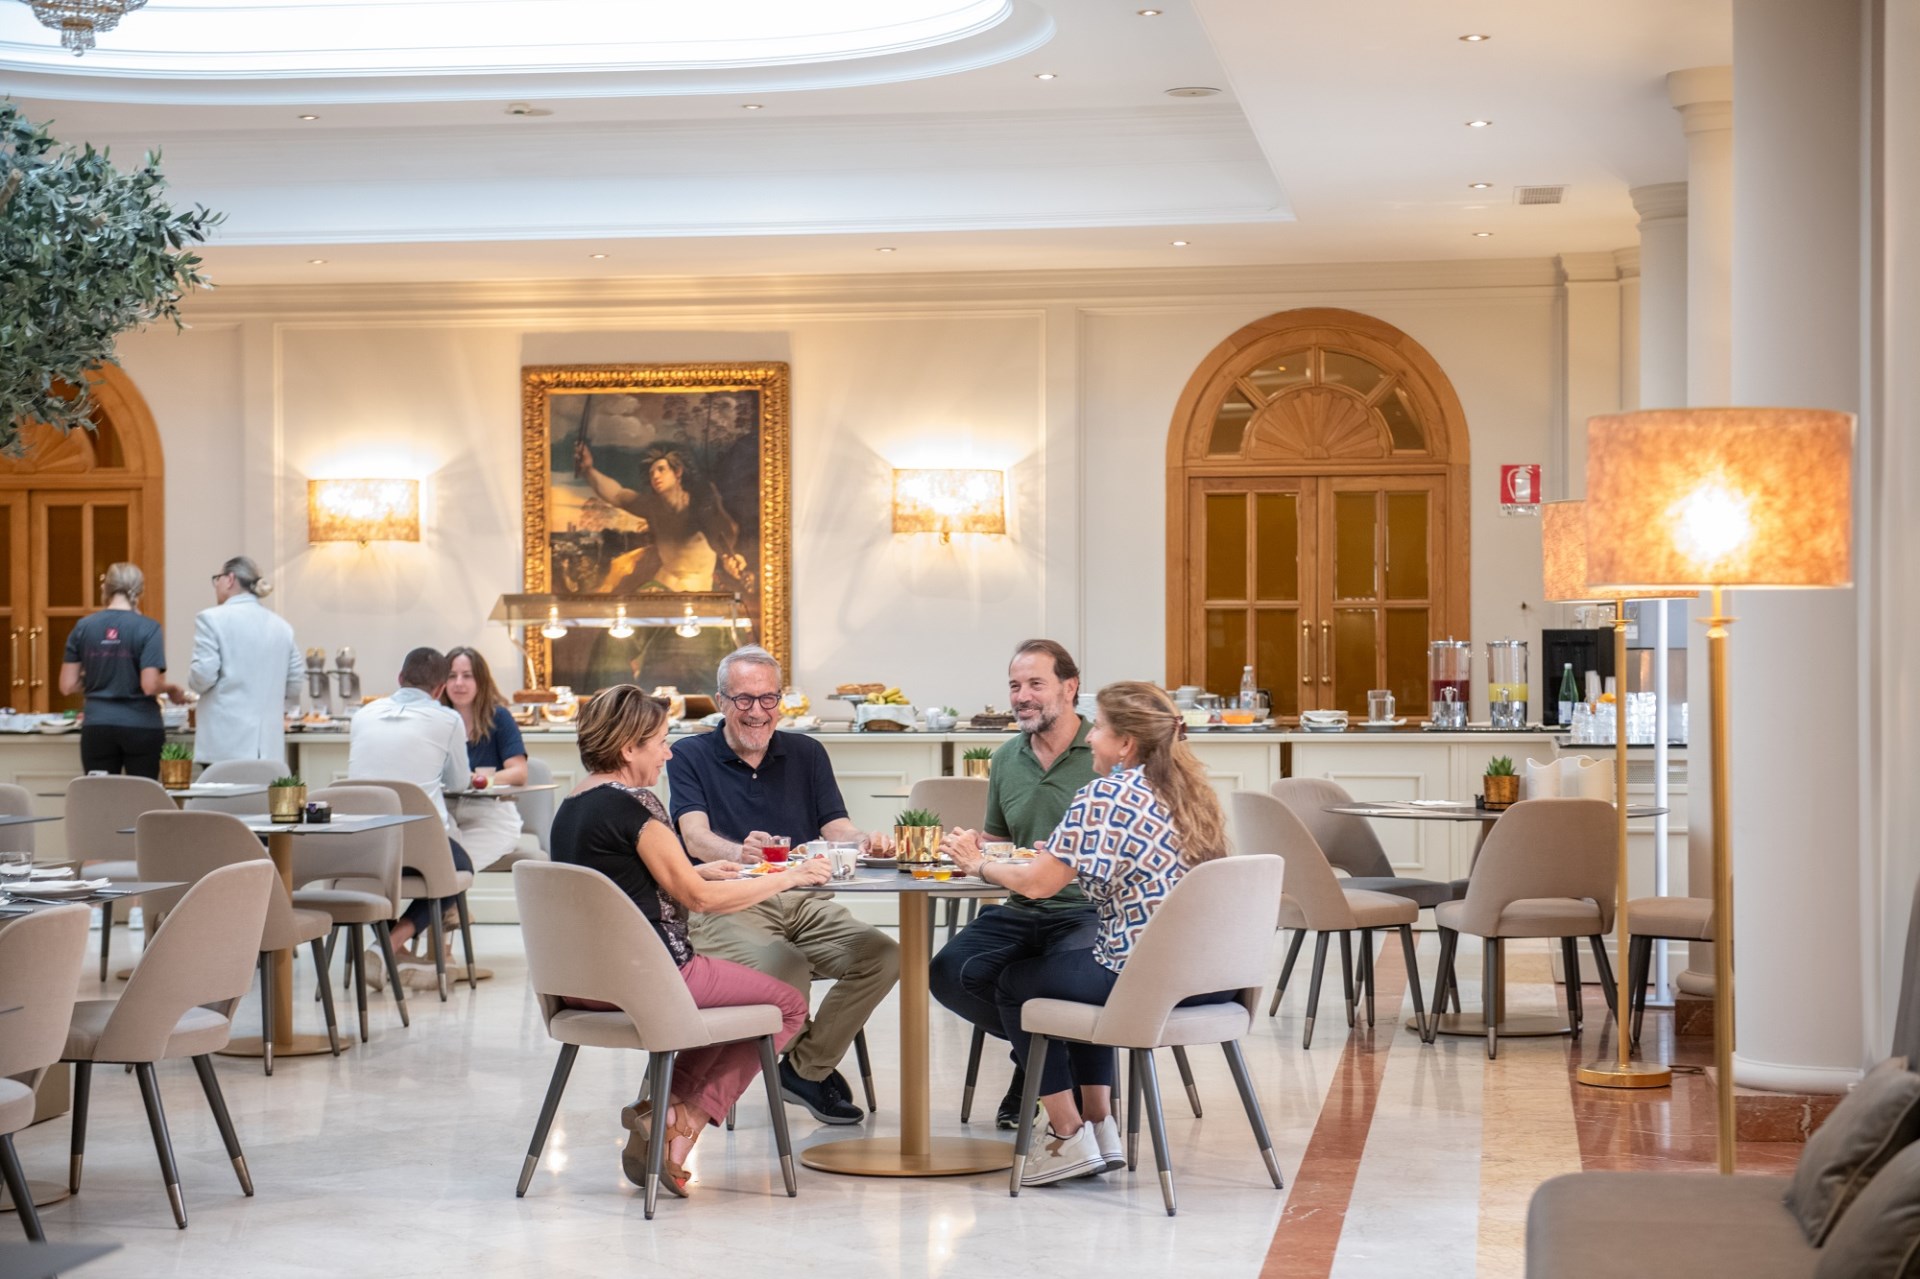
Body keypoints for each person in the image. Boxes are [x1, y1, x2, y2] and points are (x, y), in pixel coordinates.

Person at [946, 681, 1235, 1186]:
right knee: (1069, 986)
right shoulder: (1192, 793)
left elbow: (1037, 884)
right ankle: (1101, 1127)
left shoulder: (1108, 792)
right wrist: (1068, 857)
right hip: (1213, 979)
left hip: (1146, 979)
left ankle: (1065, 1132)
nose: (1092, 737)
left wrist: (978, 865)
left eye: (1099, 727)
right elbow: (1145, 867)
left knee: (1015, 981)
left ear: (1126, 743)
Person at [550, 685, 823, 1195]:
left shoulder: (575, 804)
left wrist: (708, 871)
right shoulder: (637, 806)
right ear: (629, 748)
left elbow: (641, 879)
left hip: (583, 983)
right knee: (786, 1004)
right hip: (650, 978)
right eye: (658, 741)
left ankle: (664, 1109)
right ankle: (681, 1117)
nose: (669, 752)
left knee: (751, 1006)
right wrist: (791, 876)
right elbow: (698, 901)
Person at [668, 645, 900, 1125]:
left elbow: (836, 826)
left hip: (801, 898)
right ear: (720, 701)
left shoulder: (807, 752)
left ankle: (804, 1069)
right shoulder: (688, 754)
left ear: (781, 701)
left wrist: (866, 841)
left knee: (885, 955)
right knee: (785, 966)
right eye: (744, 700)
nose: (757, 712)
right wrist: (739, 853)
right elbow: (693, 836)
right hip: (727, 903)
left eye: (768, 699)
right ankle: (813, 1069)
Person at [930, 639, 1099, 1128]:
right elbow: (1001, 843)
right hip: (1022, 906)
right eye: (1014, 685)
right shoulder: (1006, 759)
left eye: (1034, 684)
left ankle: (1040, 1077)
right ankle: (1040, 1058)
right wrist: (970, 848)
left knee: (1063, 984)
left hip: (1085, 910)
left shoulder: (1106, 753)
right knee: (949, 973)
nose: (1021, 696)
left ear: (1070, 688)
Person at [348, 646, 470, 981]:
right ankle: (390, 944)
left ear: (400, 679)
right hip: (417, 846)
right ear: (440, 689)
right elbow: (459, 781)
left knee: (378, 879)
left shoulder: (362, 716)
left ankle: (391, 952)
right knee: (459, 869)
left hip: (360, 847)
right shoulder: (448, 719)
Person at [572, 438, 752, 593]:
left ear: (678, 472)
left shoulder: (698, 505)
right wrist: (588, 470)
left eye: (661, 469)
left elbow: (722, 535)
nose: (655, 476)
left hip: (696, 589)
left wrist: (731, 557)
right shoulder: (652, 506)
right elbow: (618, 495)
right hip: (661, 584)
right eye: (651, 473)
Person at [58, 562, 185, 779]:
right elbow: (149, 685)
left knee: (101, 799)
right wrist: (171, 688)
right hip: (141, 726)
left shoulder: (83, 627)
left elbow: (67, 685)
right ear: (140, 590)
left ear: (105, 588)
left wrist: (98, 677)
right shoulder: (148, 627)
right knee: (142, 798)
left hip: (97, 725)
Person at [188, 556, 303, 766]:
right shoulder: (281, 626)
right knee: (261, 799)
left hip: (224, 744)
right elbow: (295, 683)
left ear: (230, 579)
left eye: (218, 579)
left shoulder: (211, 619)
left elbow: (202, 677)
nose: (216, 585)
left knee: (222, 799)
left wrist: (193, 683)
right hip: (268, 746)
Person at [439, 646, 531, 870]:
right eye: (452, 676)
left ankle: (449, 907)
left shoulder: (499, 717)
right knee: (433, 865)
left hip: (491, 816)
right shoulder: (437, 719)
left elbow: (519, 773)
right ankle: (454, 907)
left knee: (450, 870)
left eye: (467, 676)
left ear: (481, 680)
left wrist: (477, 779)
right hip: (447, 812)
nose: (459, 683)